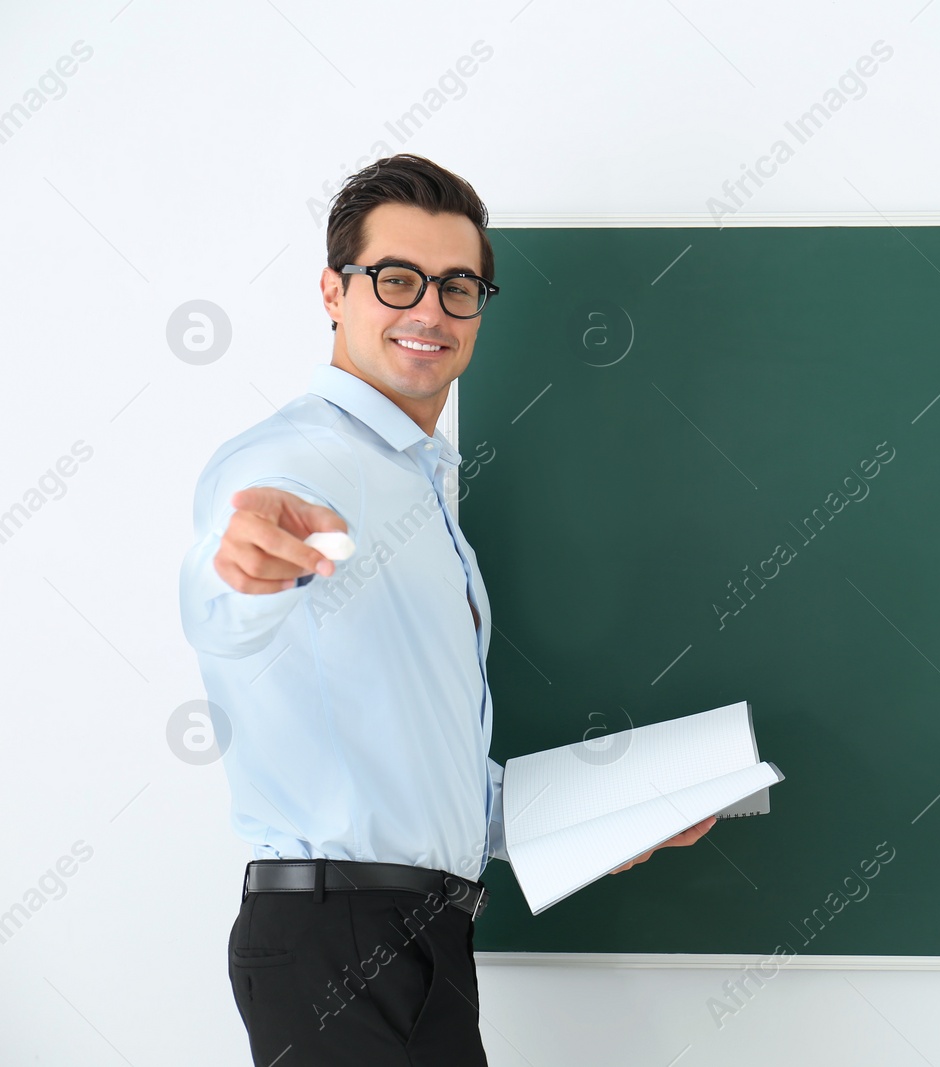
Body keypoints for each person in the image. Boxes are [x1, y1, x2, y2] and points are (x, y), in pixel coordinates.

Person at [178, 154, 715, 1066]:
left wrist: (606, 812)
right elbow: (227, 594)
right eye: (397, 279)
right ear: (332, 293)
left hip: (417, 932)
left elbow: (429, 779)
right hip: (336, 936)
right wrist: (243, 565)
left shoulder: (419, 486)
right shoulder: (300, 460)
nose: (429, 310)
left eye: (458, 286)